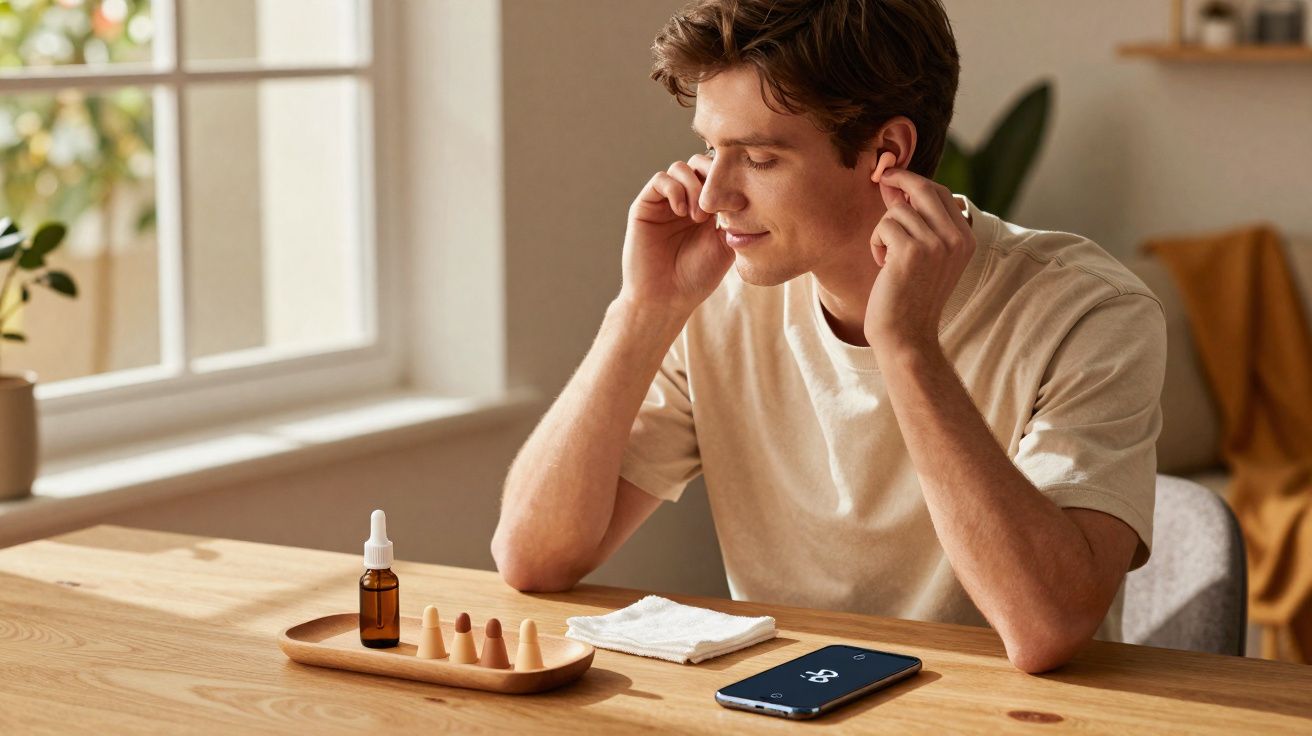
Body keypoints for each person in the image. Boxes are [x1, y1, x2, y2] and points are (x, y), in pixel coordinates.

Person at [491, 0, 1166, 674]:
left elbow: (1046, 628)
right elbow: (532, 558)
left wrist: (906, 347)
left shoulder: (1089, 311)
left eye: (758, 157)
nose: (714, 195)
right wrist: (642, 308)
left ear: (887, 152)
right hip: (783, 706)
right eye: (708, 149)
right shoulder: (719, 297)